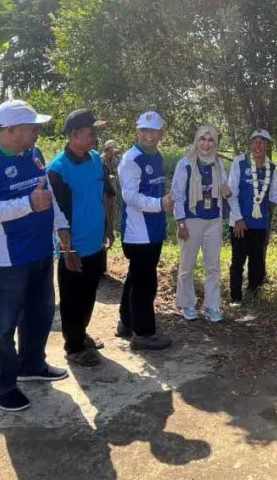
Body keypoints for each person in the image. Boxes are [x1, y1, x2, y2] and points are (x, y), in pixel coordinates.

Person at [0, 100, 71, 412]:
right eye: (32, 127)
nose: (38, 131)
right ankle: (2, 384)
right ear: (10, 130)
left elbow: (46, 194)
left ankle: (32, 365)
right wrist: (27, 203)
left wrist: (61, 224)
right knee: (3, 325)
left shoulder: (34, 154)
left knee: (40, 314)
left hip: (40, 250)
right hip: (7, 258)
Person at [47, 109, 116, 368]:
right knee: (72, 297)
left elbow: (102, 195)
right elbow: (58, 214)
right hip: (73, 247)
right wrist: (67, 249)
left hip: (94, 242)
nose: (94, 138)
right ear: (75, 135)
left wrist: (107, 228)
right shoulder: (58, 169)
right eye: (90, 133)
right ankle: (73, 347)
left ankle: (81, 333)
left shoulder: (95, 159)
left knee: (88, 293)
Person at [114, 111, 174, 351]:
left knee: (136, 277)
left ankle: (127, 322)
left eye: (153, 131)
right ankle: (144, 333)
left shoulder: (156, 155)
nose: (149, 135)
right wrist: (159, 204)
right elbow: (130, 196)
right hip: (138, 232)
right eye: (144, 131)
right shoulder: (131, 159)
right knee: (145, 283)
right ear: (137, 132)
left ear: (161, 133)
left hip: (153, 228)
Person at [171, 125, 230, 323]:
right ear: (197, 141)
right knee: (187, 265)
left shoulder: (218, 163)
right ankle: (187, 303)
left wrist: (226, 191)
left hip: (214, 219)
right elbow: (177, 195)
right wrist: (180, 222)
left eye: (210, 140)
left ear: (215, 143)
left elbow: (225, 187)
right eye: (203, 139)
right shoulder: (185, 163)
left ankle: (212, 306)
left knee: (213, 266)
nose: (206, 144)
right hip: (191, 218)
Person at [228, 130, 277, 305]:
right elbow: (231, 193)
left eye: (262, 142)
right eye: (255, 141)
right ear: (250, 144)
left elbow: (272, 194)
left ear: (267, 145)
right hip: (239, 222)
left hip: (259, 223)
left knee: (256, 262)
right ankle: (235, 298)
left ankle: (253, 294)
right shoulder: (239, 162)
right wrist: (238, 219)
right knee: (237, 261)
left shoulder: (271, 167)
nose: (258, 145)